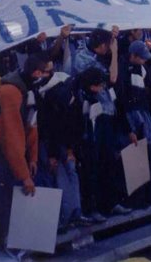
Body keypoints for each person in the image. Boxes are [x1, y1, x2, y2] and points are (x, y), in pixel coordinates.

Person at [0, 55, 48, 245]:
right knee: (6, 199)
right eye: (46, 72)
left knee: (12, 196)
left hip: (5, 151)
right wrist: (24, 175)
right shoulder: (11, 92)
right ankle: (9, 241)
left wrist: (33, 158)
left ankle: (19, 239)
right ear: (37, 73)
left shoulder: (26, 89)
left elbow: (31, 126)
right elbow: (12, 137)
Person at [34, 53, 91, 230]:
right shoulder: (56, 92)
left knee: (65, 174)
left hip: (59, 141)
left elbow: (61, 124)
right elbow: (53, 125)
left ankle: (72, 214)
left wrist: (66, 149)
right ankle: (69, 214)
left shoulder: (55, 93)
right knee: (63, 175)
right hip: (56, 142)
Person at [75, 67, 131, 222]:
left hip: (105, 136)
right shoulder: (83, 98)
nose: (103, 87)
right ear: (92, 86)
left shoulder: (104, 94)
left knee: (110, 168)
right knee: (91, 175)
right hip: (90, 142)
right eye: (100, 85)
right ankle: (92, 209)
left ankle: (112, 203)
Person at [115, 41, 151, 204]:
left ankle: (149, 195)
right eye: (141, 58)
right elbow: (121, 101)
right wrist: (128, 128)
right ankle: (136, 198)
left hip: (144, 115)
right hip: (131, 120)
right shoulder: (122, 70)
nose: (144, 61)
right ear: (132, 56)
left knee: (148, 154)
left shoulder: (143, 69)